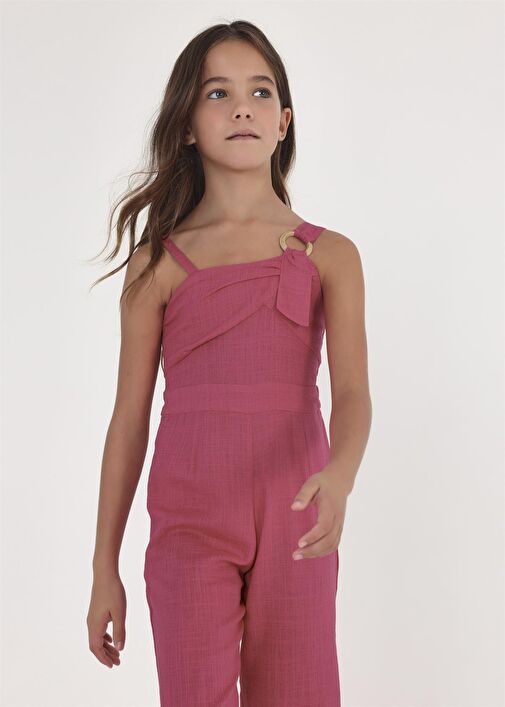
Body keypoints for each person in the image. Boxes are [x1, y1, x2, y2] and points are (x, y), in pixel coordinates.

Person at [86, 19, 372, 707]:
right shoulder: (157, 264)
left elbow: (354, 393)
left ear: (284, 122)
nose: (242, 107)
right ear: (187, 125)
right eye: (218, 93)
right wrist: (104, 567)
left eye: (260, 91)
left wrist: (339, 476)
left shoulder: (331, 255)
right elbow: (128, 420)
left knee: (299, 693)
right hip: (188, 511)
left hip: (298, 507)